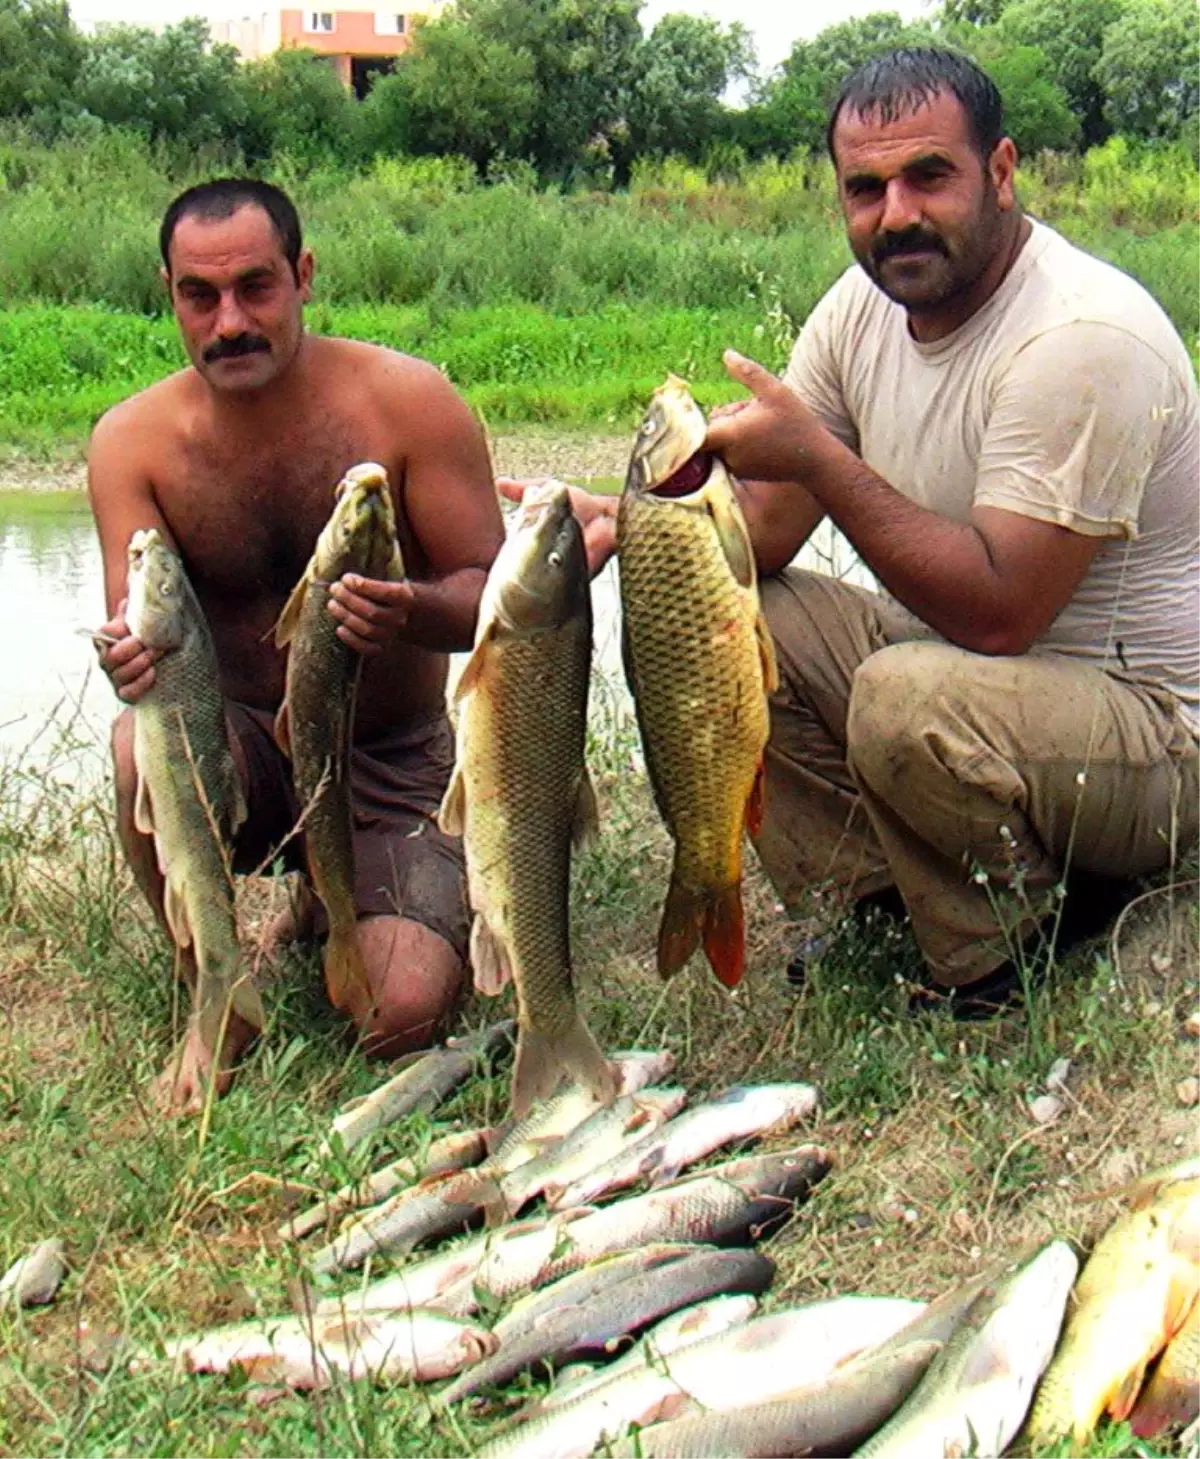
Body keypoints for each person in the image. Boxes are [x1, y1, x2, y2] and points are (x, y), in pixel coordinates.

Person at [503, 46, 1200, 1017]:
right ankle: (876, 901)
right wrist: (638, 521)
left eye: (929, 176)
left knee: (900, 696)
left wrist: (825, 460)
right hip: (980, 692)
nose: (895, 214)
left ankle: (1005, 949)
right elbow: (770, 535)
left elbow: (1002, 613)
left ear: (1000, 172)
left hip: (1152, 738)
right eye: (864, 187)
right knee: (749, 616)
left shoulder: (1080, 337)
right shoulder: (863, 306)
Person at [90, 177, 503, 1112]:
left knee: (395, 1013)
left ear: (303, 275)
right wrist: (127, 658)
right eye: (201, 295)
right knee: (132, 750)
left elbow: (495, 602)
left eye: (256, 287)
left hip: (387, 760)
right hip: (236, 741)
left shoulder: (411, 404)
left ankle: (338, 896)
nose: (229, 320)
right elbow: (134, 627)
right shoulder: (133, 444)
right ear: (171, 295)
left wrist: (409, 609)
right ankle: (217, 990)